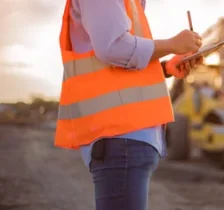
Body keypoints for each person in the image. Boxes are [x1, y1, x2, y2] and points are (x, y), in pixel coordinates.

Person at [54, 0, 203, 210]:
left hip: (126, 139)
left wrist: (166, 68)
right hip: (120, 137)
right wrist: (172, 44)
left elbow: (117, 67)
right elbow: (113, 47)